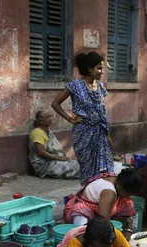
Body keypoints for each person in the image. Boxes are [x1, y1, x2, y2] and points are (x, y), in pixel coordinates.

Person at [51, 51, 114, 184]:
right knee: (87, 169)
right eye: (99, 68)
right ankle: (88, 196)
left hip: (100, 133)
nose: (102, 72)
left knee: (105, 168)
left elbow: (102, 112)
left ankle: (99, 197)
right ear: (90, 69)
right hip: (83, 134)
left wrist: (107, 135)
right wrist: (70, 119)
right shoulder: (75, 86)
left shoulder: (101, 87)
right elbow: (55, 104)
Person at [63, 168, 141, 231]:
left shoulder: (118, 179)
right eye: (127, 194)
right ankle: (82, 234)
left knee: (129, 204)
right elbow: (103, 221)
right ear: (120, 186)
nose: (128, 197)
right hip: (86, 210)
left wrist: (129, 230)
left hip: (100, 210)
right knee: (81, 212)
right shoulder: (109, 192)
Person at [28, 107, 80, 179]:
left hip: (52, 160)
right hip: (44, 164)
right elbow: (41, 152)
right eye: (48, 117)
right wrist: (58, 157)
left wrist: (60, 158)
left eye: (51, 116)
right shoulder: (37, 132)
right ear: (40, 121)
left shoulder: (47, 131)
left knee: (76, 164)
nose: (51, 118)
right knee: (75, 168)